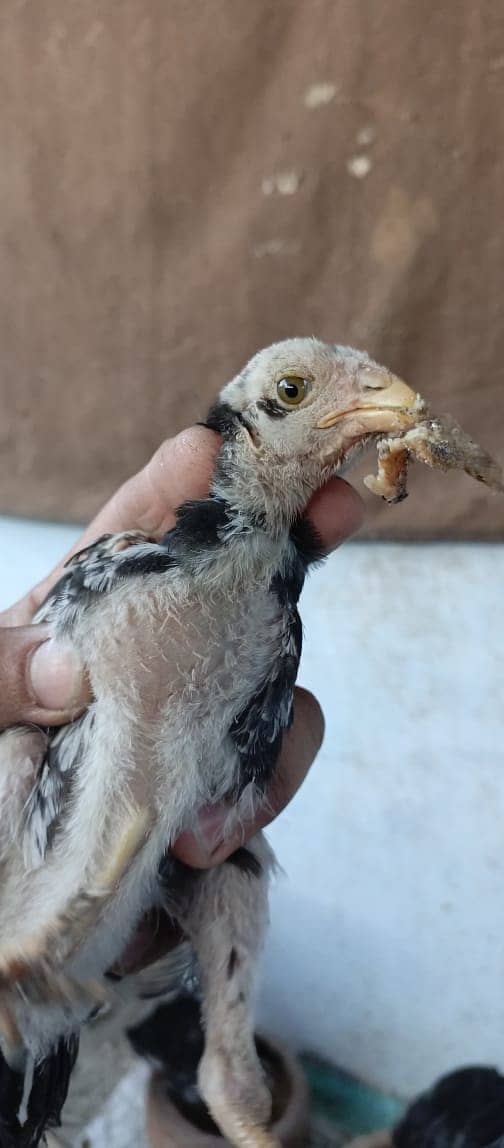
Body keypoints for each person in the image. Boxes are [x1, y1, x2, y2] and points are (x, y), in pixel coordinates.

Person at [0, 423, 363, 969]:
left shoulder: (272, 626)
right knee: (20, 759)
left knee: (230, 858)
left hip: (102, 950)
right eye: (292, 393)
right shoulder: (122, 569)